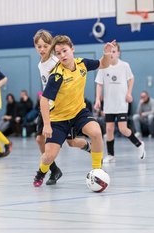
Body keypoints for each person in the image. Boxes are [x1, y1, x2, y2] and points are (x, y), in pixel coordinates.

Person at [32, 35, 115, 187]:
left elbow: (103, 64)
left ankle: (97, 171)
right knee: (48, 156)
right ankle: (41, 173)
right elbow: (44, 101)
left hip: (78, 113)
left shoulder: (82, 64)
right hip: (58, 118)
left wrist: (107, 54)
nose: (62, 55)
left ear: (72, 49)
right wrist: (47, 125)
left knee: (96, 133)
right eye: (58, 53)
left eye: (64, 51)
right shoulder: (57, 75)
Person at [33, 30, 91, 185]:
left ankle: (86, 145)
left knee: (71, 143)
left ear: (51, 47)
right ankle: (54, 170)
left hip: (62, 110)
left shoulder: (56, 61)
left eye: (45, 46)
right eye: (39, 46)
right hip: (48, 108)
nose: (42, 49)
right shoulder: (41, 64)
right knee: (39, 139)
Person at [94, 42, 145, 163]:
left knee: (123, 129)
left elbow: (131, 78)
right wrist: (97, 98)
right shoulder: (103, 66)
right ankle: (111, 155)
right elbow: (99, 84)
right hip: (109, 104)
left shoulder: (125, 66)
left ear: (118, 53)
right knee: (109, 129)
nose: (111, 53)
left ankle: (139, 144)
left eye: (114, 51)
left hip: (121, 103)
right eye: (110, 51)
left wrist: (129, 93)